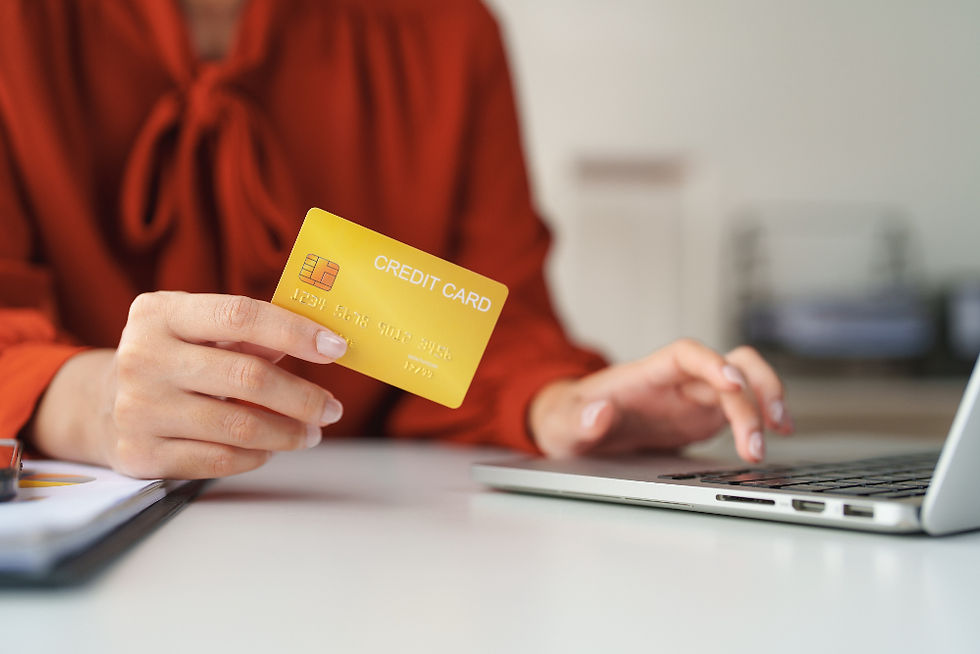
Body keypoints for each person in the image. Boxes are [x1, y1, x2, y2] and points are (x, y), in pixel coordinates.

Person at [0, 0, 792, 480]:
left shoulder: (447, 31)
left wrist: (565, 406)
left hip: (384, 554)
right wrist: (94, 404)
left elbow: (496, 330)